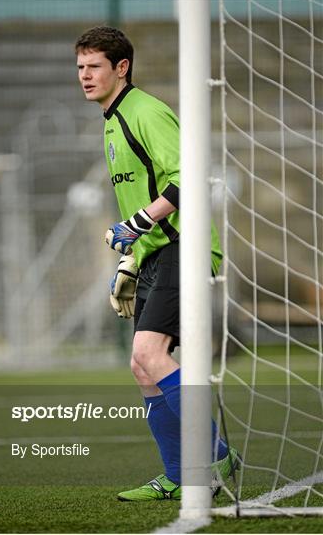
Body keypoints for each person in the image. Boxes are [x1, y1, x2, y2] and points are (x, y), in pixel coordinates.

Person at [75, 26, 240, 501]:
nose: (85, 76)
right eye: (81, 68)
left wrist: (136, 224)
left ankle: (215, 453)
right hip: (157, 251)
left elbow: (189, 177)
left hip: (183, 246)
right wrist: (132, 256)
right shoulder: (112, 120)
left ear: (121, 68)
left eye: (94, 67)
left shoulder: (144, 111)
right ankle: (179, 476)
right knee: (142, 367)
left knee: (151, 355)